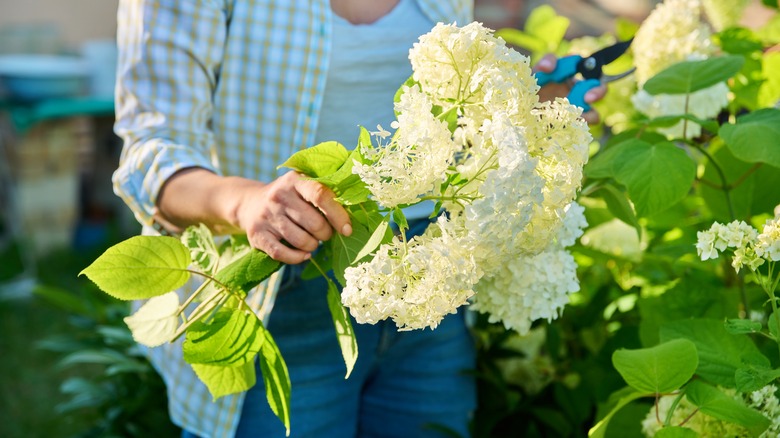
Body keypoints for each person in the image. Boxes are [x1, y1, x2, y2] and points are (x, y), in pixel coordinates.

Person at [112, 1, 606, 436]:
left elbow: (443, 132)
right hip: (282, 282)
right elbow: (152, 150)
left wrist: (518, 114)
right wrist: (247, 203)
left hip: (433, 288)